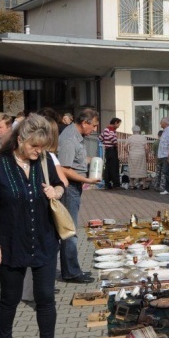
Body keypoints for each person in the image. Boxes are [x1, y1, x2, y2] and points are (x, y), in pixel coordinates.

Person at [0, 114, 65, 338]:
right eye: (34, 147)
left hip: (44, 241)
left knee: (45, 299)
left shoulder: (44, 160)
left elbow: (62, 184)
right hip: (9, 243)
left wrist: (56, 192)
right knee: (10, 298)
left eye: (43, 147)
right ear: (20, 140)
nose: (38, 152)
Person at [57, 107, 100, 283]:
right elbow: (64, 169)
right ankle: (72, 273)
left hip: (75, 187)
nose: (95, 129)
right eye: (94, 125)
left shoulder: (76, 136)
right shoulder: (69, 138)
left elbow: (74, 161)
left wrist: (90, 161)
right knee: (70, 231)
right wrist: (87, 180)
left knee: (71, 230)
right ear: (84, 123)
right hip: (69, 188)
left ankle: (71, 269)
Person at [100, 117, 122, 189]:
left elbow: (100, 137)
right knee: (114, 167)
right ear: (115, 123)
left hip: (108, 150)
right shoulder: (111, 130)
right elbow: (112, 138)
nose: (119, 126)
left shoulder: (105, 129)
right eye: (118, 124)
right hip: (112, 149)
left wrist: (105, 142)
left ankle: (107, 183)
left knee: (108, 167)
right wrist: (115, 143)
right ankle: (116, 184)